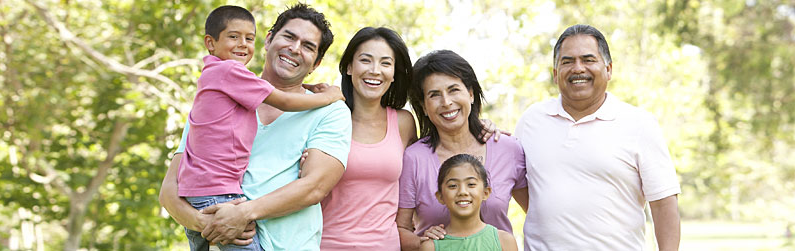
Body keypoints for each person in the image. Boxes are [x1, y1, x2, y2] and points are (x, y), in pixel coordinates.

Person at [159, 3, 351, 250]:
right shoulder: (215, 100)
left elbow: (314, 187)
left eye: (308, 46)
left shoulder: (330, 111)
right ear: (269, 39)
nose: (294, 48)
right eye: (289, 37)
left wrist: (243, 214)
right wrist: (206, 221)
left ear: (316, 62)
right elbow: (169, 191)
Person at [515, 24, 681, 250]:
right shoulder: (531, 120)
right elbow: (515, 182)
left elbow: (664, 204)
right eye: (567, 61)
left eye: (588, 59)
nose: (578, 68)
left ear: (609, 69)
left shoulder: (639, 124)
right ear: (555, 74)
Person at [397, 50, 528, 251]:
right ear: (423, 106)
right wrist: (424, 242)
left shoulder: (508, 149)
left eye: (453, 90)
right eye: (434, 95)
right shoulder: (414, 158)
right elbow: (400, 228)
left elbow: (535, 213)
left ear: (471, 94)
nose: (446, 102)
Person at [318, 27, 417, 250]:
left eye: (385, 63)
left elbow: (430, 162)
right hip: (328, 244)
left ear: (393, 74)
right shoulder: (326, 118)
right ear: (350, 67)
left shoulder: (404, 123)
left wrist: (483, 128)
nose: (375, 71)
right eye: (365, 60)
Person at [418, 154, 518, 251]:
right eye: (453, 186)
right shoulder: (431, 246)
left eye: (471, 184)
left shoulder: (504, 241)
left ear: (485, 193)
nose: (462, 192)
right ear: (440, 197)